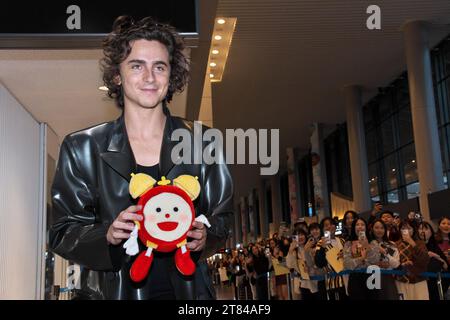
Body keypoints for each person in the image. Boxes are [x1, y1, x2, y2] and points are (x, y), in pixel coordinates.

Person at [49, 16, 234, 300]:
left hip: (189, 293)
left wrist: (205, 237)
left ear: (170, 76)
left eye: (159, 67)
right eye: (137, 66)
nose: (150, 77)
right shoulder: (82, 147)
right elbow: (62, 232)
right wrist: (107, 236)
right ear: (116, 75)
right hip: (112, 291)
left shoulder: (204, 141)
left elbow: (222, 217)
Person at [395, 220, 430, 300]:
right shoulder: (396, 244)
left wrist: (412, 242)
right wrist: (402, 264)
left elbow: (425, 259)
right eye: (403, 228)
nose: (406, 230)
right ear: (399, 230)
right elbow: (394, 262)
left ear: (414, 230)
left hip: (418, 279)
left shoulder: (420, 243)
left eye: (409, 228)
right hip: (401, 280)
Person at [343, 217, 376, 300]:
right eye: (357, 225)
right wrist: (361, 259)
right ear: (354, 228)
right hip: (355, 279)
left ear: (366, 227)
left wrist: (367, 246)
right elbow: (347, 264)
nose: (360, 227)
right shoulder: (348, 244)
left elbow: (375, 260)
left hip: (373, 277)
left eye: (362, 225)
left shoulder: (373, 242)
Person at [315, 217, 347, 300]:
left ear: (335, 226)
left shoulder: (342, 241)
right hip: (333, 282)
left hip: (346, 280)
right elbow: (319, 263)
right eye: (326, 225)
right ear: (323, 229)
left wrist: (345, 255)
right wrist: (322, 248)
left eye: (331, 224)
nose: (329, 227)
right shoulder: (321, 243)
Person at [369, 219, 400, 300]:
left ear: (385, 230)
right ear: (372, 229)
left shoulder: (391, 244)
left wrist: (385, 254)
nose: (379, 230)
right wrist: (378, 263)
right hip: (371, 278)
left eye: (382, 228)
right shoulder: (368, 244)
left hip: (387, 278)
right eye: (376, 227)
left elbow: (396, 264)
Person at [418, 221, 449, 300]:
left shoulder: (435, 246)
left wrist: (436, 256)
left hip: (436, 285)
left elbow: (446, 266)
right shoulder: (415, 245)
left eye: (425, 229)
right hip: (420, 284)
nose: (422, 231)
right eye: (420, 229)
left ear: (431, 232)